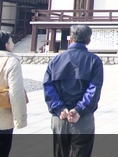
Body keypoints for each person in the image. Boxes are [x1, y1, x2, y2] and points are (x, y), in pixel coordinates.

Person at [44, 24, 104, 156]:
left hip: (60, 117)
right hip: (83, 118)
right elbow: (94, 89)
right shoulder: (94, 61)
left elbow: (48, 86)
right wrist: (79, 109)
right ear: (89, 40)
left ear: (70, 39)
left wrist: (59, 108)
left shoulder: (56, 60)